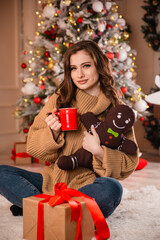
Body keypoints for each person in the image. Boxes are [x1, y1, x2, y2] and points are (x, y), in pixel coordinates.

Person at [0, 40, 139, 218]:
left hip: (87, 187)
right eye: (73, 68)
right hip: (51, 182)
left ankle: (39, 207)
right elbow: (32, 146)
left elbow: (129, 161)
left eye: (86, 66)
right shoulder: (60, 98)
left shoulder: (117, 110)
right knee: (3, 173)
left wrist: (98, 151)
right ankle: (63, 211)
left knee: (112, 189)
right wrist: (53, 133)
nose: (79, 74)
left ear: (99, 66)